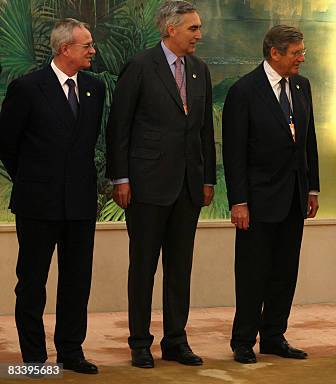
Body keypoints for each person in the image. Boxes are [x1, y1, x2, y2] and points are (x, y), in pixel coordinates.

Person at [105, 0, 216, 368]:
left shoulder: (199, 70)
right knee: (143, 267)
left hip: (188, 187)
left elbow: (204, 131)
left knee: (180, 268)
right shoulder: (139, 67)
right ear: (171, 29)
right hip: (146, 186)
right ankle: (139, 343)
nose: (199, 34)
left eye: (198, 28)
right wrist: (120, 177)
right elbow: (119, 126)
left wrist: (208, 179)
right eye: (193, 28)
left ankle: (175, 341)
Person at [0, 18, 104, 374]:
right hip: (38, 204)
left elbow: (87, 143)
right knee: (32, 282)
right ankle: (34, 358)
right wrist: (32, 180)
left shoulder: (94, 88)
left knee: (77, 281)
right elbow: (8, 144)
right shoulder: (28, 87)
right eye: (87, 45)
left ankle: (71, 352)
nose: (93, 51)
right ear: (65, 50)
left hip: (80, 203)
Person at [222, 25, 320, 364]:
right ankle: (243, 340)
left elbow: (308, 141)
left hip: (294, 197)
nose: (302, 58)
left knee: (285, 272)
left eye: (302, 51)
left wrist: (312, 187)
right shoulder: (244, 91)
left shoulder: (302, 86)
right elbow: (234, 154)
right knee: (252, 273)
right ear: (274, 53)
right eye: (296, 53)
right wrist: (238, 201)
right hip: (258, 201)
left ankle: (274, 336)